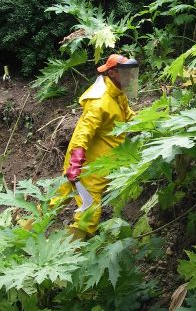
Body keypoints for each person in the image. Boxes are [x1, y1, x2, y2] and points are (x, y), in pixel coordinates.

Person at [50, 54, 139, 240]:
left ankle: (27, 229)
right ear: (113, 73)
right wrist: (75, 164)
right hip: (87, 165)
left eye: (132, 73)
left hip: (101, 162)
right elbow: (83, 133)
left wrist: (154, 120)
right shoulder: (99, 102)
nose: (131, 78)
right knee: (89, 212)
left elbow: (129, 116)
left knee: (57, 198)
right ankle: (74, 254)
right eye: (127, 73)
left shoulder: (116, 93)